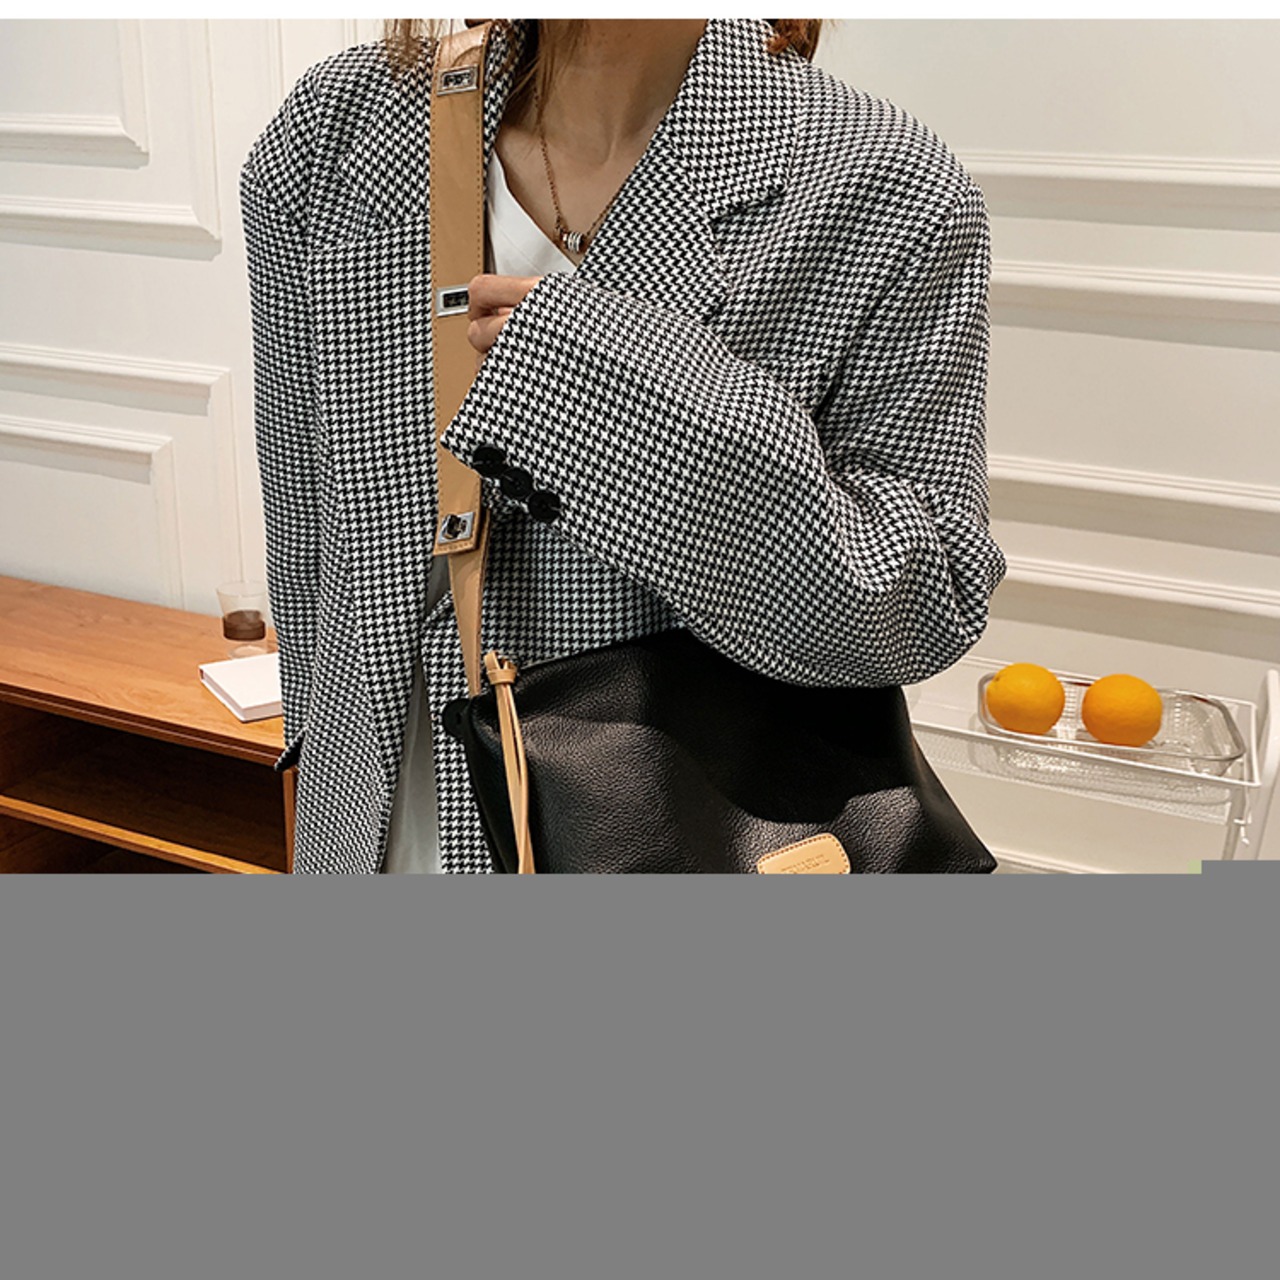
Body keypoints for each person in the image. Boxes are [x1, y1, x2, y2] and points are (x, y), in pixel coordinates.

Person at [240, 19, 1008, 875]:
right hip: (376, 830)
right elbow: (307, 530)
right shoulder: (338, 132)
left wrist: (609, 375)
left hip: (677, 845)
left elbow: (919, 608)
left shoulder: (884, 184)